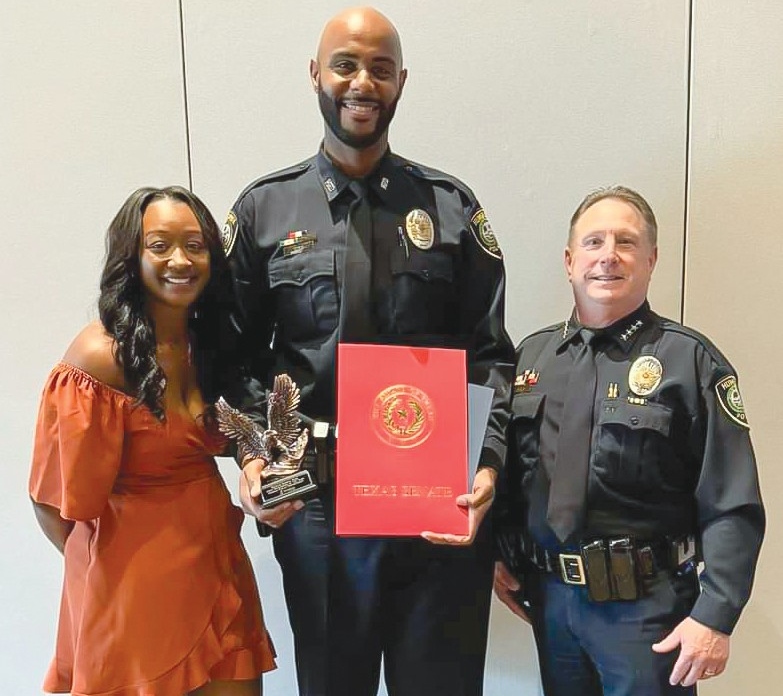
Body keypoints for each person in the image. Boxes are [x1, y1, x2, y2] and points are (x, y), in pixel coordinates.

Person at [221, 6, 514, 696]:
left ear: (401, 82)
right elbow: (230, 362)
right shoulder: (265, 210)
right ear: (315, 74)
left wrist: (489, 466)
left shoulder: (448, 207)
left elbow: (491, 357)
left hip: (433, 498)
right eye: (346, 64)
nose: (362, 82)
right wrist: (254, 453)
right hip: (315, 501)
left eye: (380, 69)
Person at [493, 185, 765, 696]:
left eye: (626, 242)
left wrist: (715, 616)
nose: (608, 256)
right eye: (593, 242)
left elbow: (733, 505)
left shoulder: (690, 362)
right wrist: (497, 551)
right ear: (570, 261)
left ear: (651, 259)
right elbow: (509, 476)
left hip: (648, 613)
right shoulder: (531, 360)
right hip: (551, 606)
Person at [29, 187, 276, 696]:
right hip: (134, 591)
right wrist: (108, 580)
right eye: (159, 245)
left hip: (216, 568)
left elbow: (245, 428)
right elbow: (51, 505)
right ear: (131, 256)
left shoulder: (209, 343)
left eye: (194, 245)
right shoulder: (100, 358)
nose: (180, 260)